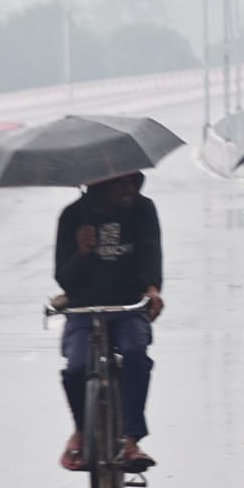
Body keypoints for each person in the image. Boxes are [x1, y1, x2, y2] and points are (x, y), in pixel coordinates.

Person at [54, 172, 164, 472]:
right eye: (121, 184)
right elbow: (64, 278)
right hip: (84, 308)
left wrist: (152, 289)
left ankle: (131, 440)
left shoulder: (142, 210)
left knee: (134, 355)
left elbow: (150, 254)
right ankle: (80, 430)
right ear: (98, 185)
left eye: (133, 182)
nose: (129, 189)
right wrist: (82, 253)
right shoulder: (72, 217)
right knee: (76, 367)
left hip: (129, 305)